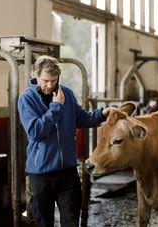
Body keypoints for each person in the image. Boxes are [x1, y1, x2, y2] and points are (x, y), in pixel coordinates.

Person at [18, 55, 113, 227]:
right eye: (45, 80)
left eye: (54, 80)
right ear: (36, 75)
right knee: (43, 223)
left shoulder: (66, 94)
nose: (49, 85)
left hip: (68, 172)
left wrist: (101, 114)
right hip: (41, 174)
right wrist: (56, 107)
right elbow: (35, 131)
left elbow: (82, 118)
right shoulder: (27, 98)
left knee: (71, 222)